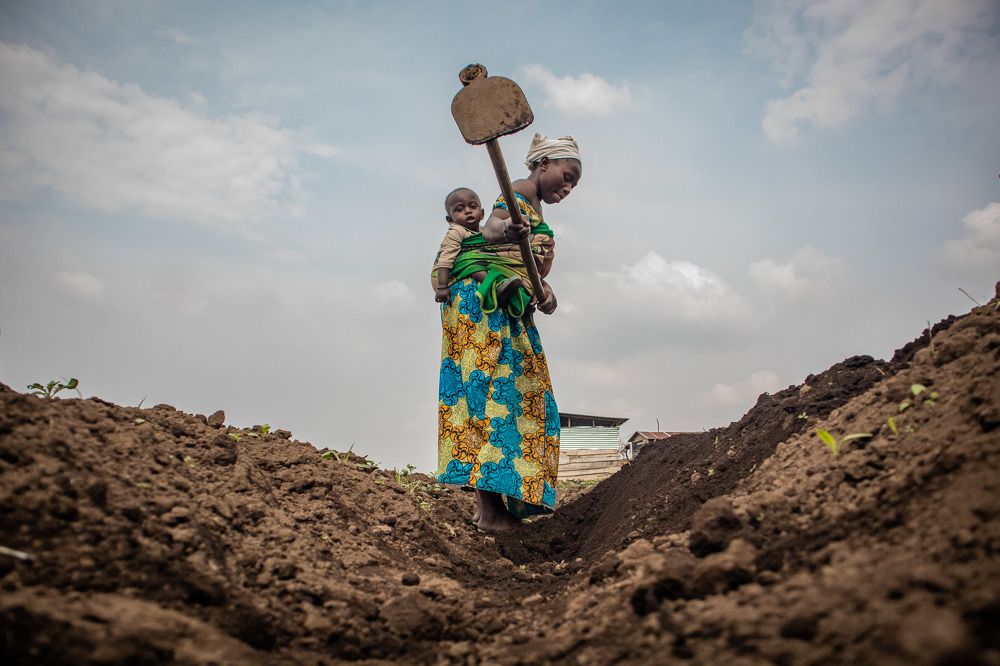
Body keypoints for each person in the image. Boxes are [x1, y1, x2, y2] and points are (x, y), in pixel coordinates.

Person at [436, 134, 582, 533]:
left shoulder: (536, 210)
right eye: (566, 176)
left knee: (510, 394)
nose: (567, 188)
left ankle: (494, 508)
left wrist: (545, 291)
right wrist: (508, 229)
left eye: (574, 184)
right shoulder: (517, 191)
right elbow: (491, 230)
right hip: (481, 299)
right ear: (543, 162)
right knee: (491, 392)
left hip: (504, 302)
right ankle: (491, 512)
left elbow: (531, 271)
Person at [431, 187, 486, 303]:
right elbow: (446, 258)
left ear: (482, 214)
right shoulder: (457, 230)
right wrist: (442, 287)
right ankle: (495, 286)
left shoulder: (485, 232)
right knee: (470, 261)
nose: (468, 211)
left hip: (470, 265)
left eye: (473, 206)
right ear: (450, 219)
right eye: (459, 209)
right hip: (443, 274)